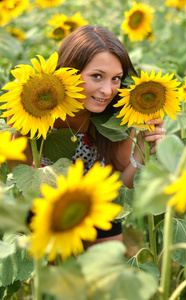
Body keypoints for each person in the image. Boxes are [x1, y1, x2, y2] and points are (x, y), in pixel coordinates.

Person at [6, 24, 166, 248]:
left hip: (99, 213)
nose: (108, 90)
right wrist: (19, 128)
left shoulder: (116, 119)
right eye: (97, 76)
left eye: (116, 78)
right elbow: (20, 171)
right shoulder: (39, 112)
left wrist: (142, 148)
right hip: (48, 212)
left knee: (105, 276)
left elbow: (122, 186)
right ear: (70, 72)